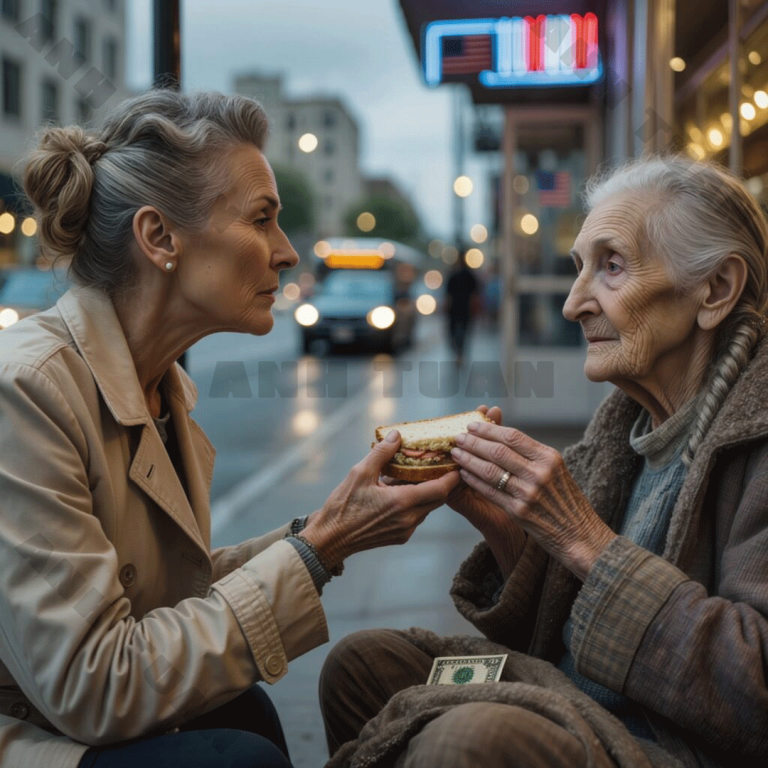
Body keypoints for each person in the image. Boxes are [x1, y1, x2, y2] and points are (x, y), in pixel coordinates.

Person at [0, 89, 459, 768]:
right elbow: (95, 685)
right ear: (160, 238)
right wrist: (319, 549)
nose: (287, 253)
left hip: (71, 719)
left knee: (246, 710)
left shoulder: (158, 387)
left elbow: (163, 598)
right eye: (262, 219)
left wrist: (325, 531)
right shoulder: (25, 389)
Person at [319, 156, 768, 768]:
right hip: (576, 700)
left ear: (714, 289)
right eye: (578, 268)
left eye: (612, 266)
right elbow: (558, 637)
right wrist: (509, 528)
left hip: (665, 745)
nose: (573, 304)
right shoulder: (622, 433)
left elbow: (755, 693)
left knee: (467, 740)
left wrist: (582, 538)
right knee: (360, 665)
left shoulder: (754, 431)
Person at [444, 249, 480, 366]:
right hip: (461, 309)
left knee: (456, 333)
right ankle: (460, 353)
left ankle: (459, 353)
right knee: (462, 333)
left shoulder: (457, 274)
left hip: (459, 309)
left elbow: (448, 295)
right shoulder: (466, 275)